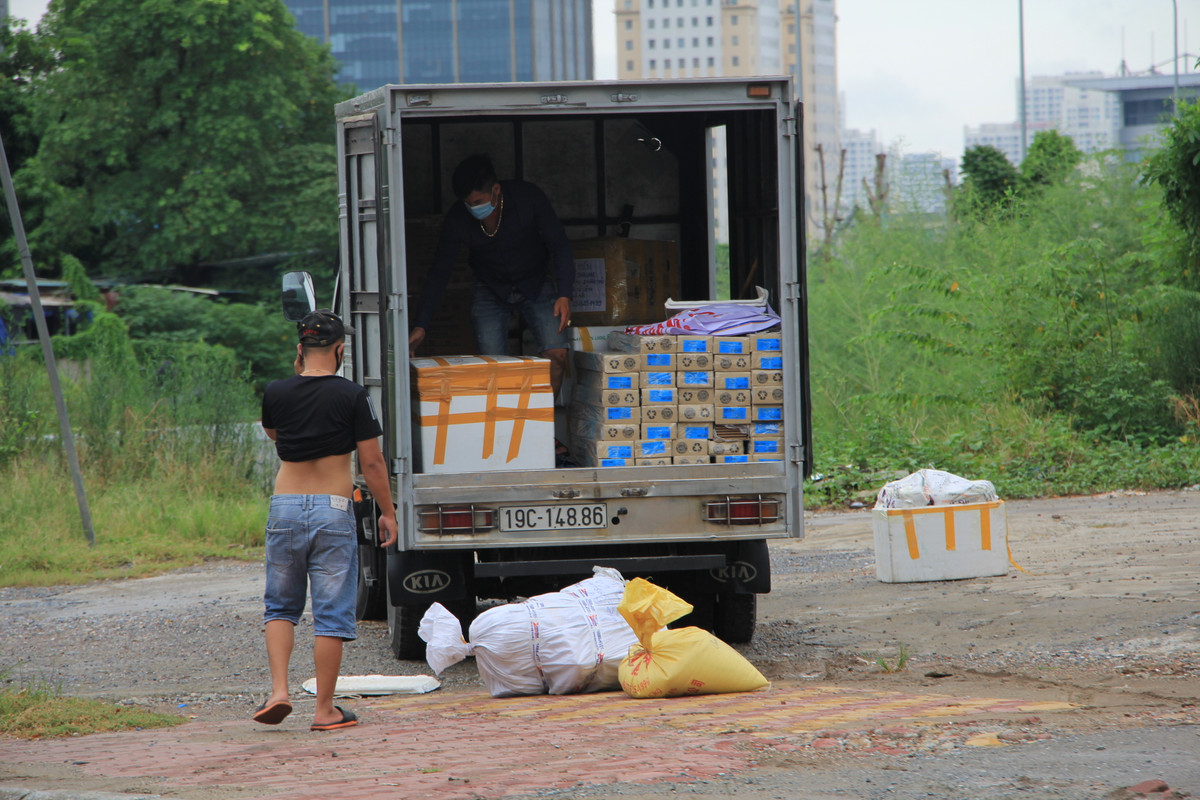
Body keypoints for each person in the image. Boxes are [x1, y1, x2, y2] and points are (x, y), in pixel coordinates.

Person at [256, 309, 398, 731]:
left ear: (299, 350)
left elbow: (276, 436)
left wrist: (295, 378)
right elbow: (371, 462)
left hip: (284, 506)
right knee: (331, 613)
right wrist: (387, 512)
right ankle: (324, 711)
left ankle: (279, 692)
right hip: (332, 511)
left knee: (280, 606)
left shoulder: (276, 392)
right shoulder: (352, 395)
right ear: (341, 350)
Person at [408, 154, 574, 396]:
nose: (474, 208)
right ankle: (508, 429)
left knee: (557, 355)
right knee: (493, 366)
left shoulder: (528, 198)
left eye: (479, 201)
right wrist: (422, 324)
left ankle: (543, 426)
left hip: (535, 281)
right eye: (469, 203)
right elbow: (440, 271)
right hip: (490, 286)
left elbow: (559, 244)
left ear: (496, 189)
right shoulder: (458, 219)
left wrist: (565, 294)